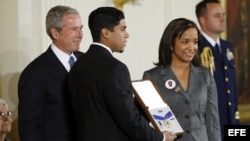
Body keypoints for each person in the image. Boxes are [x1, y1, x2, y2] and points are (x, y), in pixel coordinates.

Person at [68, 6, 176, 141]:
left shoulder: (77, 65)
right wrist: (161, 138)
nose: (127, 34)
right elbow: (128, 119)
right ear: (106, 33)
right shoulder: (115, 68)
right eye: (123, 29)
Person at [142, 18, 221, 141]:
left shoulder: (205, 75)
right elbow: (140, 123)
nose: (192, 47)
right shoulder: (152, 77)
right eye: (185, 42)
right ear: (170, 44)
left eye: (195, 42)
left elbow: (213, 122)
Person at [18, 5, 84, 141]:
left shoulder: (86, 61)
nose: (80, 34)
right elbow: (30, 128)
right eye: (73, 29)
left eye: (80, 28)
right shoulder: (34, 73)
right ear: (55, 32)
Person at [195, 0, 240, 140]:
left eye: (223, 14)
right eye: (217, 16)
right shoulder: (197, 48)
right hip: (211, 124)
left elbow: (231, 86)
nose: (223, 19)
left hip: (231, 120)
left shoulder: (227, 46)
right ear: (203, 20)